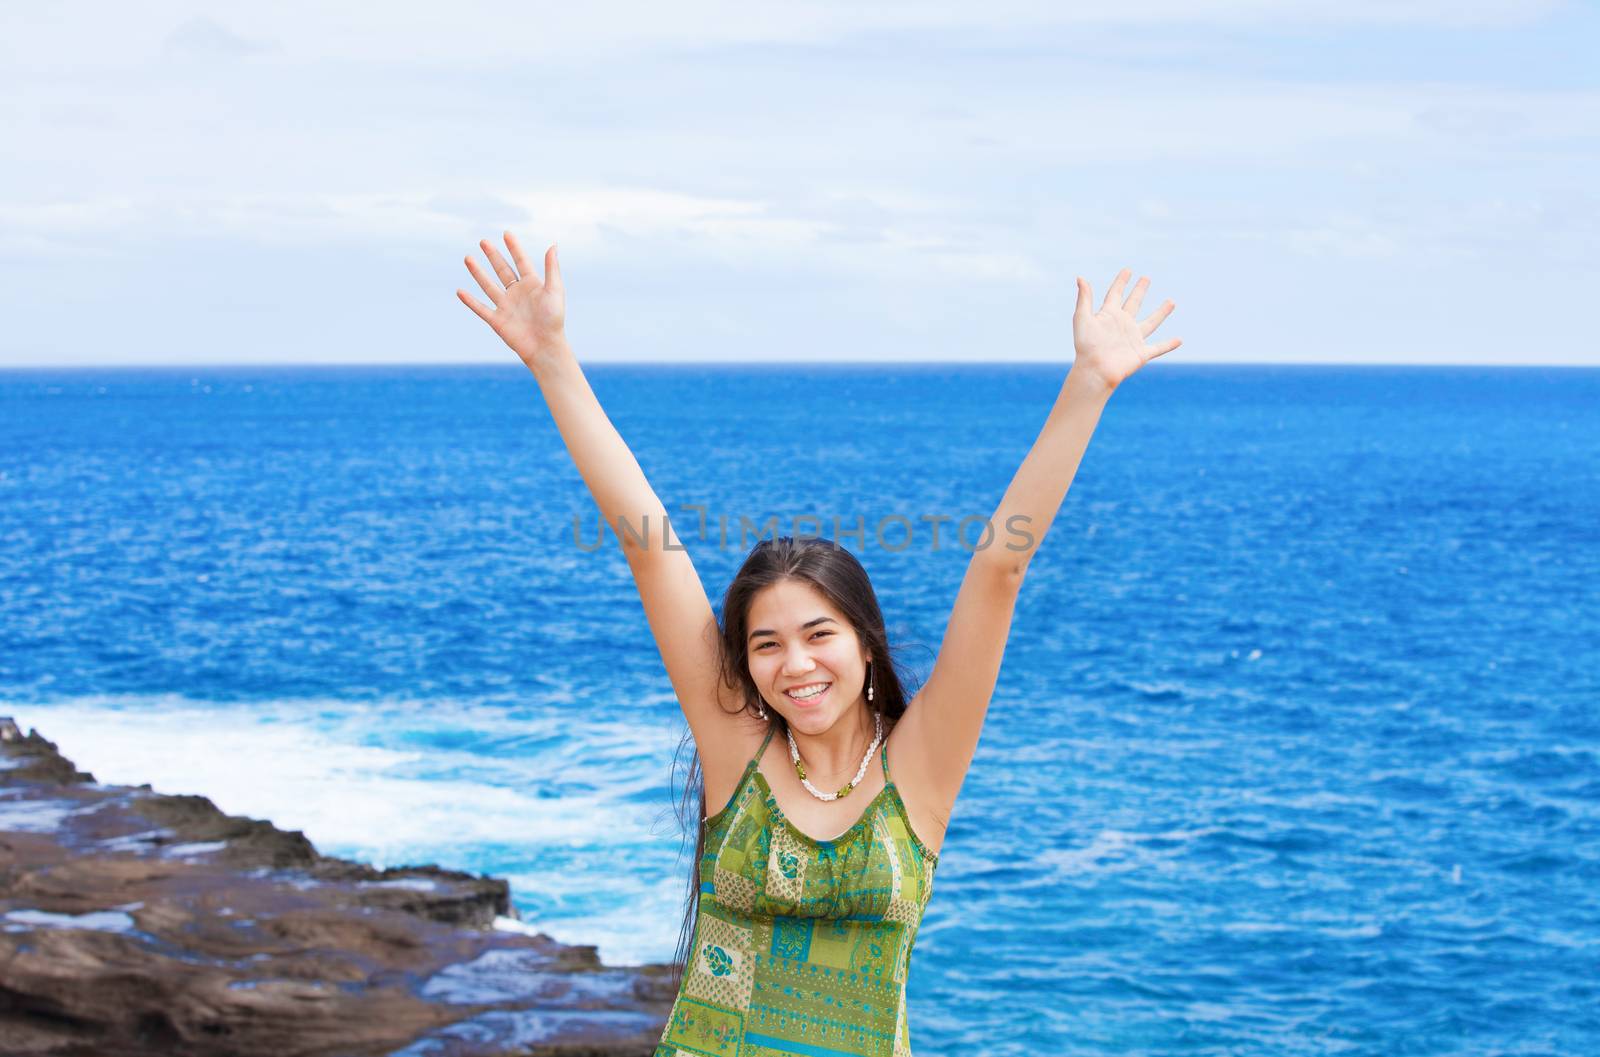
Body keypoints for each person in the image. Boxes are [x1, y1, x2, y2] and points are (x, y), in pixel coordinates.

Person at [457, 233, 1180, 1056]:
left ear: (866, 644)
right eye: (766, 644)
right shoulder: (737, 750)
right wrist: (553, 358)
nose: (794, 664)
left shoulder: (921, 771)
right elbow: (647, 544)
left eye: (818, 634)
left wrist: (1089, 383)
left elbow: (999, 570)